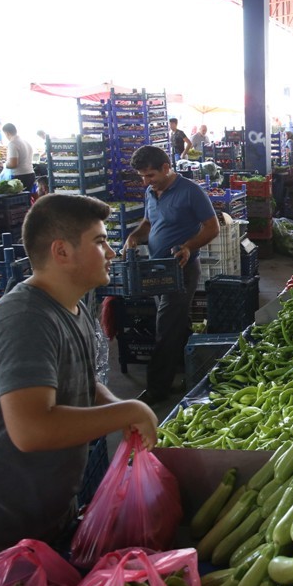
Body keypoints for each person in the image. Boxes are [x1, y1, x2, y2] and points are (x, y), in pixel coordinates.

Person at [0, 194, 159, 586]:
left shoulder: (71, 307)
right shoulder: (25, 321)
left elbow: (82, 387)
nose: (111, 250)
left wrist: (113, 411)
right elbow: (31, 429)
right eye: (100, 241)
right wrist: (130, 409)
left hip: (39, 520)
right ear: (62, 251)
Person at [124, 145, 220, 403]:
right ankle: (190, 373)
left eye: (151, 175)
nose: (146, 181)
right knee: (175, 324)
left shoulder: (191, 191)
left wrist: (189, 246)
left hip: (182, 269)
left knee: (166, 327)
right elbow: (148, 224)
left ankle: (156, 390)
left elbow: (213, 228)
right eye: (142, 176)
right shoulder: (151, 192)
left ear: (166, 168)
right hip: (157, 269)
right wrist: (134, 237)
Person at [2, 122, 36, 191]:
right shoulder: (26, 142)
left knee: (19, 199)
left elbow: (13, 164)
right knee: (28, 198)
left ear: (7, 133)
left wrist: (4, 164)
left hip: (20, 177)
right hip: (30, 173)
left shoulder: (12, 143)